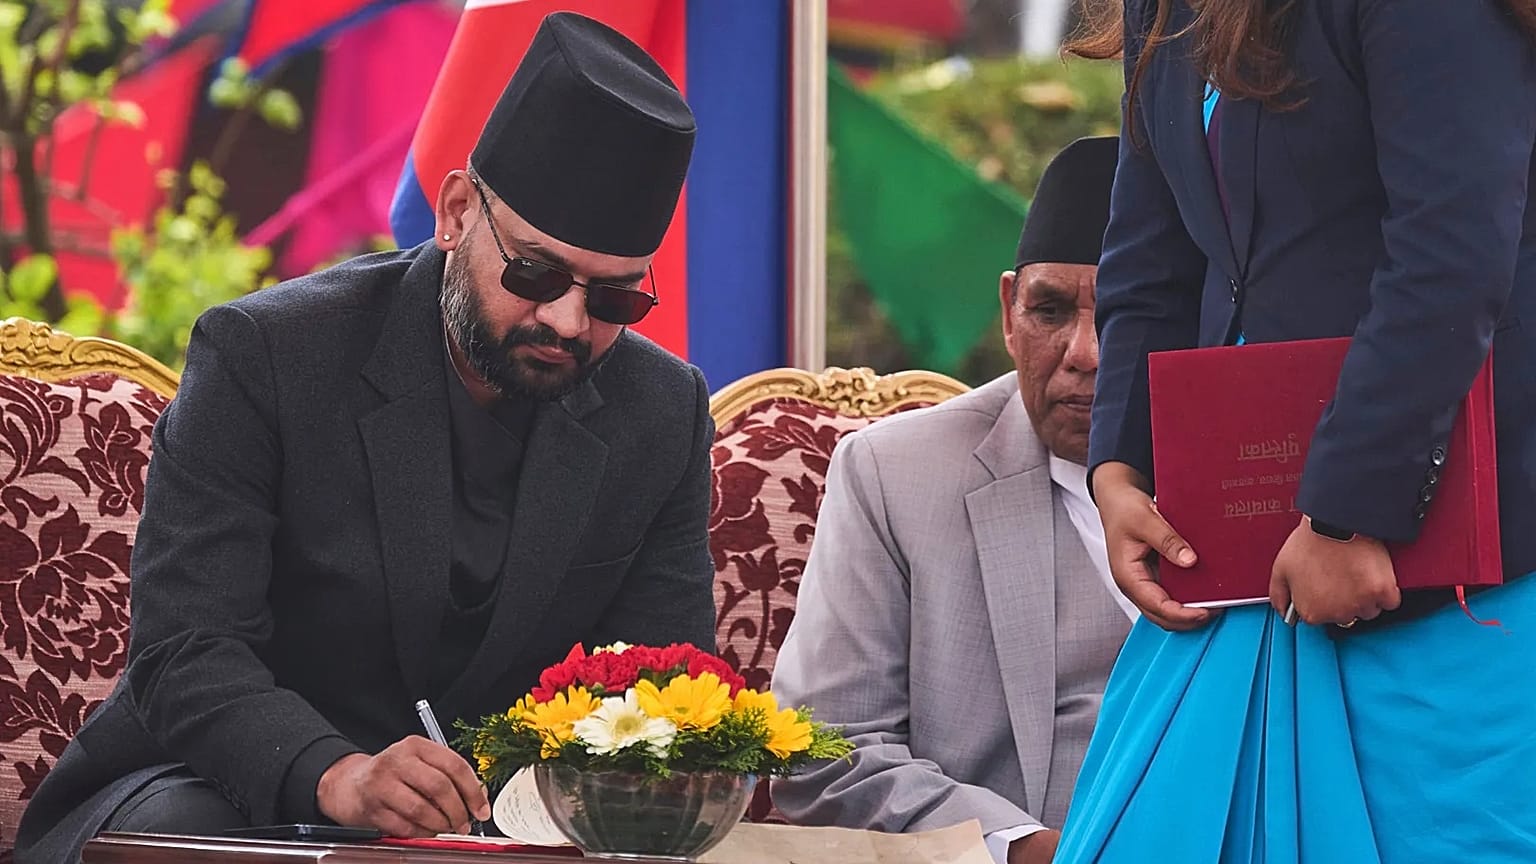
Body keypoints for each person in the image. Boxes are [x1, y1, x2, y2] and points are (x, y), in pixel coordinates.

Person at [15, 12, 717, 862]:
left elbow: (660, 682)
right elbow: (187, 650)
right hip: (223, 793)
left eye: (612, 300)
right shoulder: (268, 354)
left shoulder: (660, 408)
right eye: (534, 271)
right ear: (457, 213)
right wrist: (336, 774)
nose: (567, 321)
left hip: (501, 835)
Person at [1056, 0, 1536, 861]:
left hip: (1451, 582)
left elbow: (1450, 256)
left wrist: (1347, 514)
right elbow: (1150, 248)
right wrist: (1119, 468)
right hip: (1241, 570)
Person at [770, 137, 1135, 864]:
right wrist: (1025, 850)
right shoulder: (896, 475)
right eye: (1051, 310)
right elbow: (824, 751)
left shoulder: (1261, 474)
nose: (1084, 351)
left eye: (1125, 313)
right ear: (1008, 311)